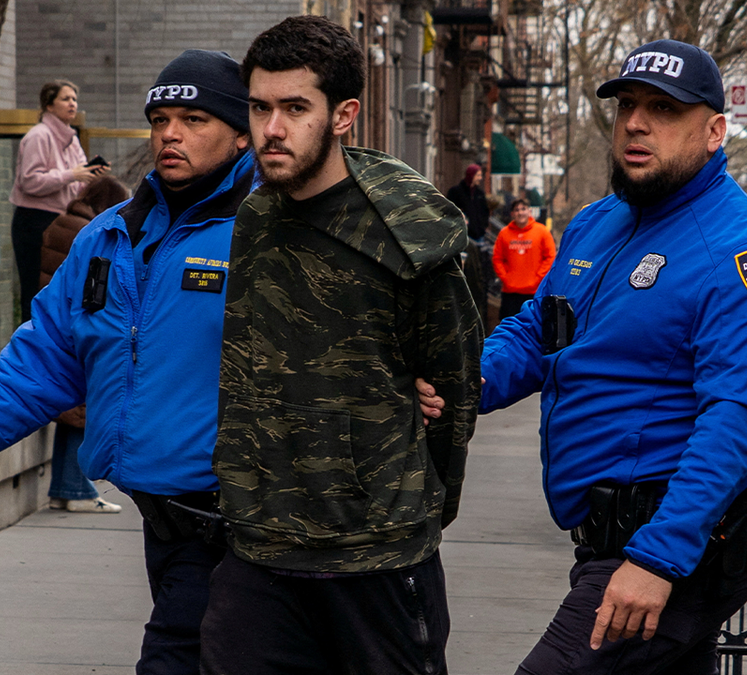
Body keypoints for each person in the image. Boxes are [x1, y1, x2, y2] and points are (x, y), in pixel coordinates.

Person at [420, 39, 747, 674]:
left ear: (714, 131)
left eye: (664, 109)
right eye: (627, 104)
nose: (636, 122)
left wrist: (657, 559)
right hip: (612, 534)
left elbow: (737, 423)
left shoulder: (743, 258)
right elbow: (537, 334)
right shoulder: (598, 223)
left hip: (679, 541)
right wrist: (456, 379)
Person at [0, 49, 257, 675]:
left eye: (195, 119)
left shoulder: (270, 232)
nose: (170, 134)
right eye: (160, 119)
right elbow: (44, 358)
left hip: (244, 529)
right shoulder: (109, 235)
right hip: (167, 522)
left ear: (241, 134)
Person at [199, 16, 482, 675]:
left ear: (345, 114)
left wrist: (406, 500)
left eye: (295, 108)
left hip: (374, 553)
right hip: (259, 548)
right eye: (261, 107)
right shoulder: (254, 217)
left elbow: (455, 390)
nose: (272, 129)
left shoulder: (407, 231)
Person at [38, 175, 130, 514]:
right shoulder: (88, 231)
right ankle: (77, 489)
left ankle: (68, 487)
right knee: (80, 413)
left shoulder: (64, 223)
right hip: (78, 329)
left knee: (72, 414)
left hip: (62, 324)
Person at [9, 80, 109, 323]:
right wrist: (71, 174)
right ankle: (31, 354)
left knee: (63, 290)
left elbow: (76, 182)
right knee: (36, 291)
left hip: (63, 222)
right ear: (49, 105)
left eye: (74, 99)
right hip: (36, 221)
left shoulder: (72, 138)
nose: (72, 104)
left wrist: (91, 175)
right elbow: (29, 182)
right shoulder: (39, 136)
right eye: (66, 99)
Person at [492, 198, 556, 322]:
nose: (520, 213)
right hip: (510, 292)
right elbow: (497, 258)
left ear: (529, 211)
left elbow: (550, 257)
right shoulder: (504, 234)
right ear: (512, 214)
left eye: (523, 209)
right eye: (516, 210)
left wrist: (537, 278)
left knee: (534, 327)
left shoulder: (542, 231)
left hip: (534, 291)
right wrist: (506, 278)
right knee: (509, 326)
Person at [447, 164, 491, 320]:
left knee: (478, 271)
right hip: (464, 237)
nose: (480, 178)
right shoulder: (456, 192)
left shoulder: (479, 194)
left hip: (478, 236)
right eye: (478, 175)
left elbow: (484, 211)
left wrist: (482, 225)